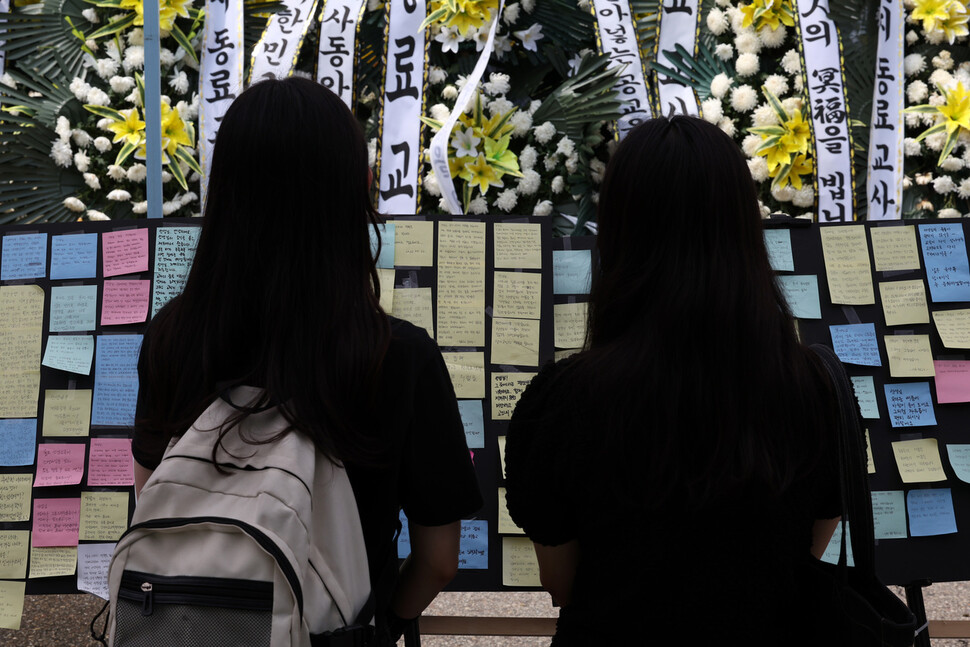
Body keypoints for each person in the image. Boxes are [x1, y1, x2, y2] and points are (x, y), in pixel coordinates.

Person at [132, 77, 482, 644]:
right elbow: (440, 559)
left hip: (198, 628)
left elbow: (152, 496)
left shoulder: (174, 338)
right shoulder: (397, 356)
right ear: (351, 194)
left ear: (225, 192)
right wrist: (383, 622)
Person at [504, 115, 843, 644]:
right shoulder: (815, 389)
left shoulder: (563, 400)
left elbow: (562, 582)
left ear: (618, 233)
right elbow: (806, 552)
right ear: (743, 231)